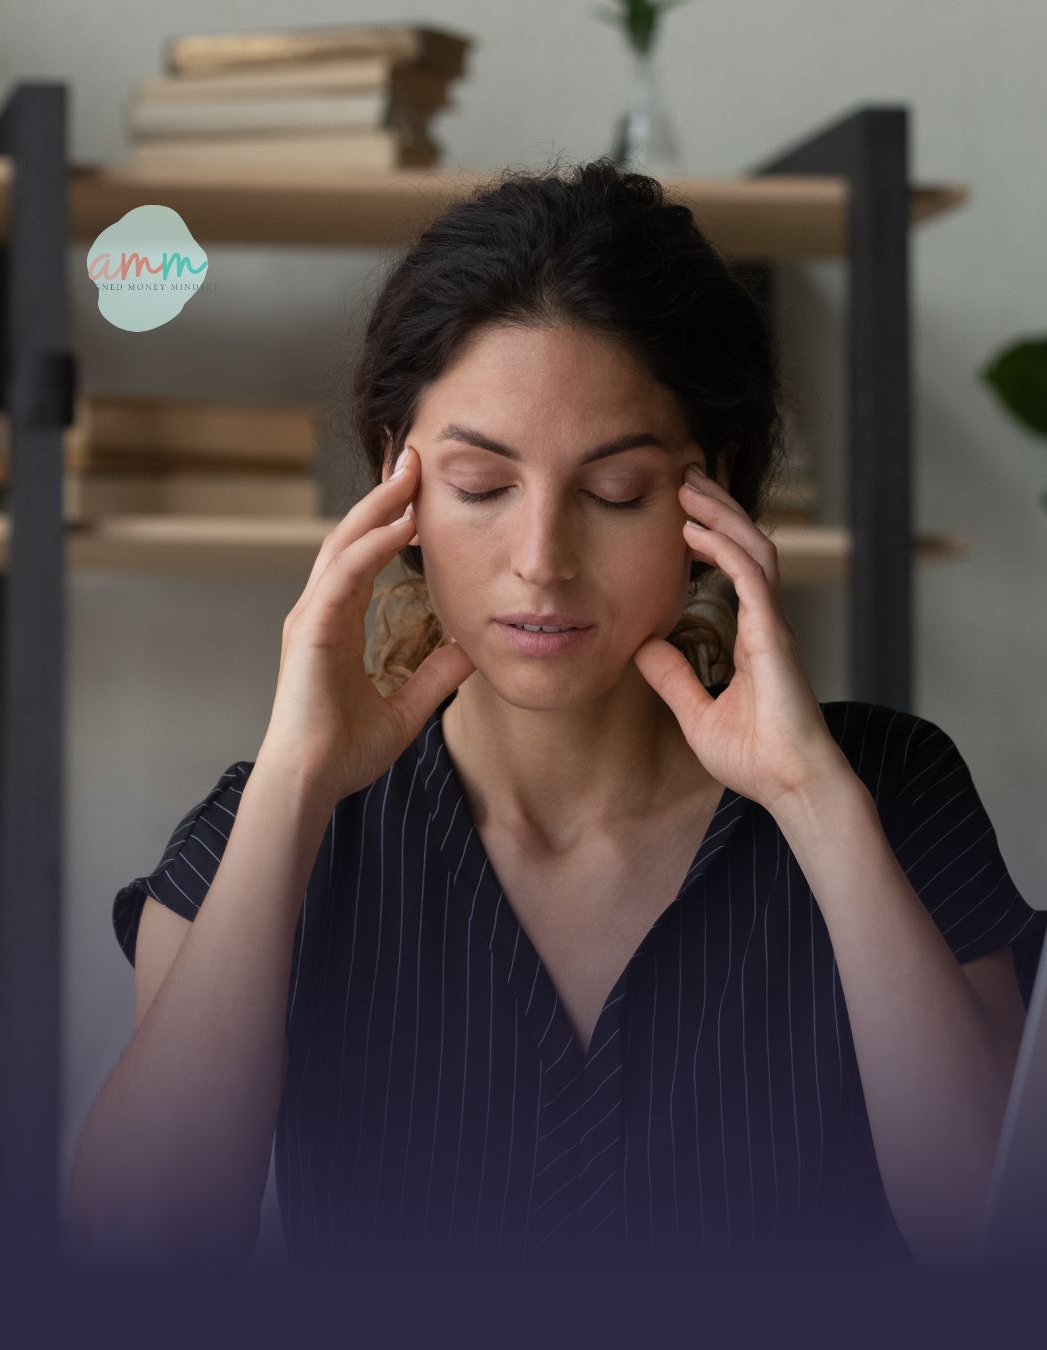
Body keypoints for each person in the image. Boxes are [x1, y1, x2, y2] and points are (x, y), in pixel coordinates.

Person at [72, 158, 1046, 1281]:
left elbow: (993, 1241)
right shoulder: (269, 830)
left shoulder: (887, 788)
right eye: (482, 487)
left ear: (716, 492)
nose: (541, 560)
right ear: (397, 485)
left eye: (614, 493)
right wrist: (293, 786)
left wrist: (813, 801)